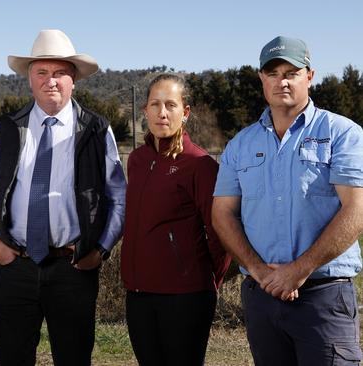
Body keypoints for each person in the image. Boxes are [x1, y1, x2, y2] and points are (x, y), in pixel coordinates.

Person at [0, 29, 126, 366]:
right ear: (29, 78)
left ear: (73, 80)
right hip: (16, 266)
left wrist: (100, 250)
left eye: (59, 73)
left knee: (73, 359)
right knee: (11, 358)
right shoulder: (8, 128)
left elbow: (118, 196)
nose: (50, 80)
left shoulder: (96, 130)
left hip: (73, 268)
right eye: (42, 72)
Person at [212, 36, 363, 365]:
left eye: (291, 72)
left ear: (309, 76)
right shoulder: (240, 145)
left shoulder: (343, 134)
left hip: (323, 297)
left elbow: (356, 210)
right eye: (273, 72)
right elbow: (222, 214)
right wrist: (257, 269)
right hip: (261, 297)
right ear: (261, 79)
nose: (282, 80)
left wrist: (299, 270)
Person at [121, 73, 231, 366]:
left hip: (185, 297)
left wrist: (205, 282)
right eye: (155, 104)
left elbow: (220, 233)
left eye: (170, 104)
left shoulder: (200, 164)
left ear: (185, 112)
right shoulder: (137, 160)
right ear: (144, 111)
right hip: (139, 294)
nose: (162, 112)